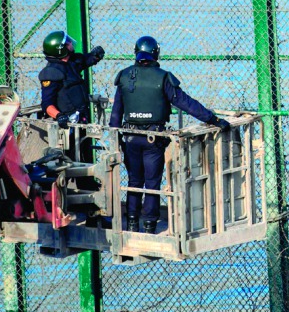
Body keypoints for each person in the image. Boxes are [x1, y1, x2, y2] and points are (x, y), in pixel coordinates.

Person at [109, 35, 222, 233]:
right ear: (155, 53)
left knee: (134, 181)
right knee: (152, 182)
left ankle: (132, 222)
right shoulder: (163, 77)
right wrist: (213, 119)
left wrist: (116, 139)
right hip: (154, 139)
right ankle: (150, 224)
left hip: (130, 137)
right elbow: (186, 103)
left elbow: (116, 113)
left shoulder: (124, 76)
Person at [38, 30, 105, 126]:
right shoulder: (51, 73)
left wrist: (95, 56)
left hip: (82, 117)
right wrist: (59, 116)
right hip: (68, 122)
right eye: (67, 43)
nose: (70, 43)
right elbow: (47, 103)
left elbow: (84, 60)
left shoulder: (71, 62)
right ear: (60, 49)